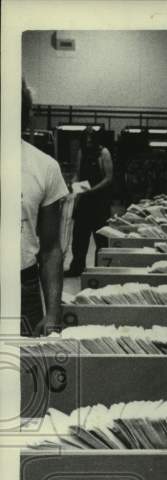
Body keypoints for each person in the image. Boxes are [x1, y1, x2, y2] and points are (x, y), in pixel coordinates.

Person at [20, 80, 68, 336]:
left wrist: (52, 312)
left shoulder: (44, 167)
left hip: (22, 289)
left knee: (22, 372)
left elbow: (50, 249)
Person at [68, 126, 113, 277]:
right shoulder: (82, 152)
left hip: (100, 203)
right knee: (79, 237)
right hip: (84, 202)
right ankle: (77, 267)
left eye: (91, 139)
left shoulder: (103, 153)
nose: (88, 141)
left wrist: (93, 190)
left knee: (101, 238)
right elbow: (77, 174)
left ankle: (100, 270)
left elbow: (109, 178)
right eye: (85, 138)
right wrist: (73, 184)